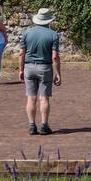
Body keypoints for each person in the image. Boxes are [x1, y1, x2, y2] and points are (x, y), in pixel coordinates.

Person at [19, 7, 61, 136]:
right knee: (44, 98)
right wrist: (57, 73)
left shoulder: (26, 33)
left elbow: (21, 53)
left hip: (29, 68)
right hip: (45, 68)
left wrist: (21, 69)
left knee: (31, 98)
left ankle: (32, 125)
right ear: (49, 21)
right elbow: (54, 56)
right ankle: (44, 125)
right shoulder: (53, 35)